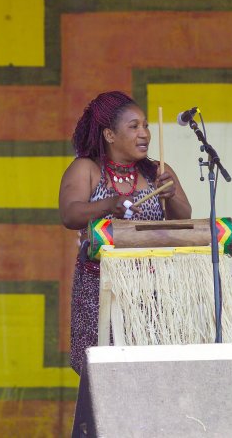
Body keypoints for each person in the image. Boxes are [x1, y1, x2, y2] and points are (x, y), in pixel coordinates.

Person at [59, 91, 192, 374]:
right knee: (104, 374)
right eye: (134, 127)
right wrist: (109, 204)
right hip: (101, 287)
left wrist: (171, 194)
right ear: (109, 135)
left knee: (150, 371)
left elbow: (183, 218)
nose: (144, 133)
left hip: (152, 288)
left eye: (145, 125)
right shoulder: (87, 169)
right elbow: (70, 214)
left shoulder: (158, 171)